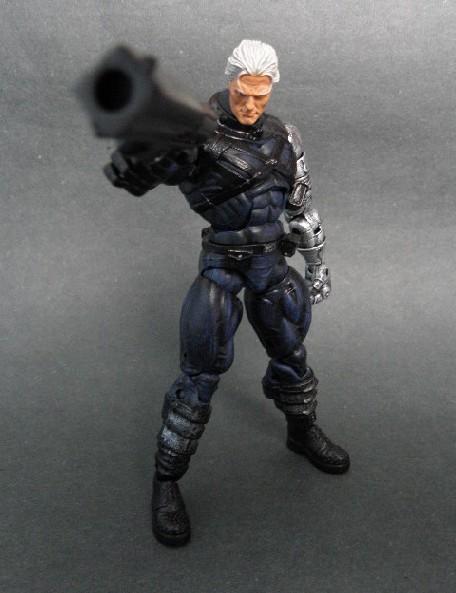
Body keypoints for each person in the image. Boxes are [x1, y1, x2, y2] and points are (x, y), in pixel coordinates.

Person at [105, 39, 350, 547]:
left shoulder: (285, 136)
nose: (251, 105)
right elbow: (139, 170)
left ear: (272, 86)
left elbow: (301, 210)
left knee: (291, 352)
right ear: (230, 81)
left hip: (271, 263)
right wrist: (142, 147)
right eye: (242, 93)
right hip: (221, 266)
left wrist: (317, 265)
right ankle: (166, 478)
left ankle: (301, 431)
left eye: (261, 95)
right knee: (200, 371)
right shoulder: (194, 131)